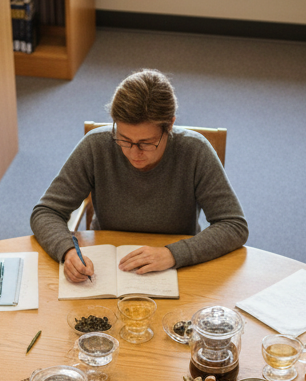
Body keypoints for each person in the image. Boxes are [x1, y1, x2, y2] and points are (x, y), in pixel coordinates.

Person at [31, 69, 249, 284]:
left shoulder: (195, 151)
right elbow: (46, 212)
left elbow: (233, 225)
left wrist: (173, 254)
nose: (134, 153)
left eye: (146, 143)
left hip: (175, 268)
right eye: (124, 139)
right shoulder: (96, 145)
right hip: (106, 266)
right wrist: (67, 251)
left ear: (170, 125)